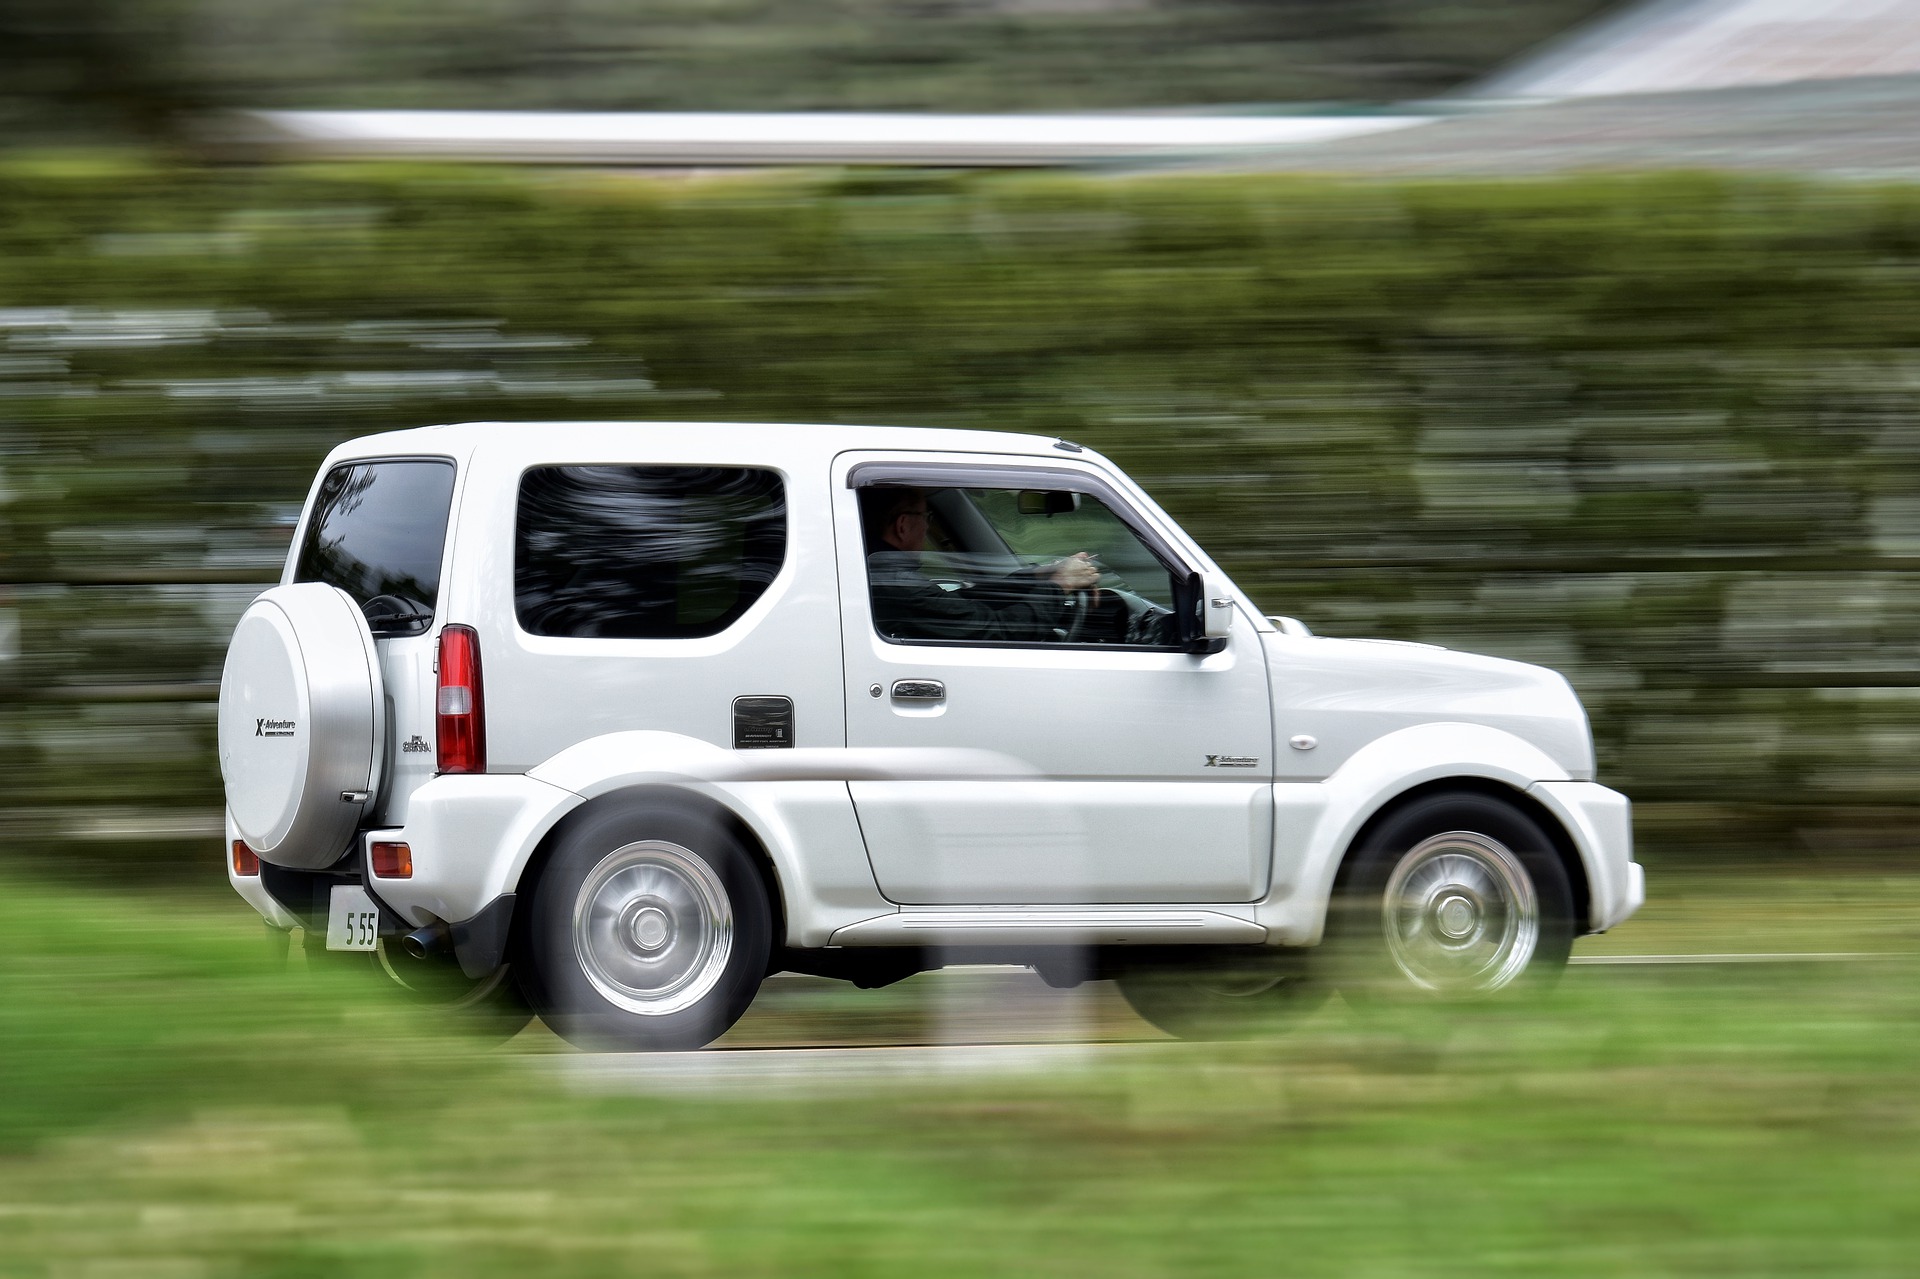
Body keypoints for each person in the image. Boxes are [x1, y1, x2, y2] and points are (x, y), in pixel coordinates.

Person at [861, 486, 1102, 642]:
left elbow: (964, 605)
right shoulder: (897, 586)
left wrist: (1043, 574)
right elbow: (995, 632)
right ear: (903, 525)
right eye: (926, 517)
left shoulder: (881, 575)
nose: (927, 527)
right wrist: (1061, 584)